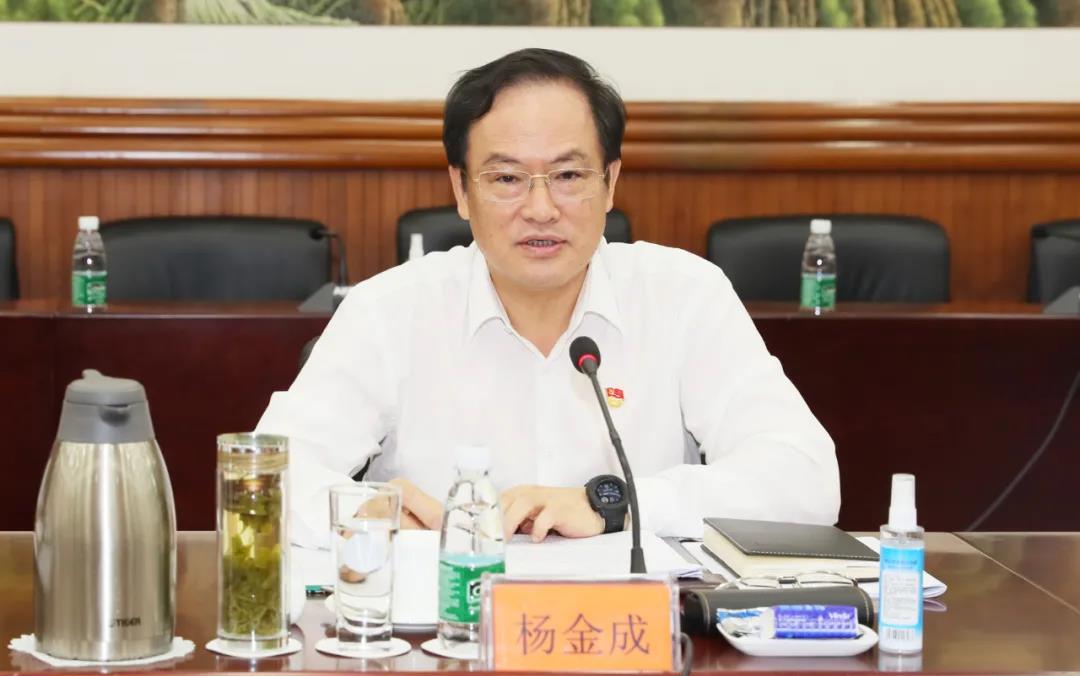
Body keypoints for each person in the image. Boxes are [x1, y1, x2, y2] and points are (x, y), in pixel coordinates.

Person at [256, 48, 839, 549]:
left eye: (568, 176)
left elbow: (807, 480)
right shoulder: (389, 310)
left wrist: (619, 503)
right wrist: (367, 513)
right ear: (461, 189)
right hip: (445, 630)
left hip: (630, 634)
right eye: (507, 179)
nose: (540, 209)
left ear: (610, 182)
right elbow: (265, 478)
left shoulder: (685, 296)